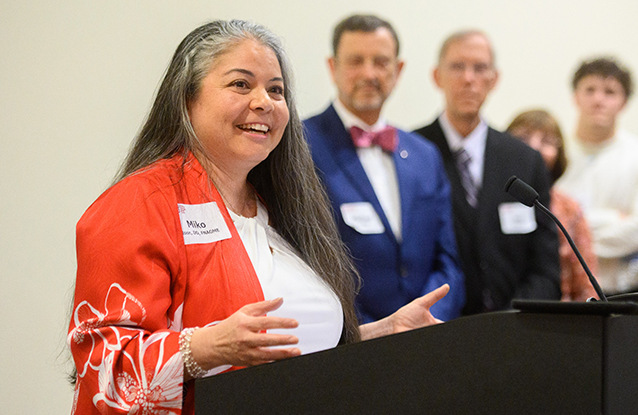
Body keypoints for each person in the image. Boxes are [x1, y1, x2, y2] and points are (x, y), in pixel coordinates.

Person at [67, 20, 450, 415]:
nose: (264, 102)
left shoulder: (285, 208)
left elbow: (290, 353)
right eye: (240, 84)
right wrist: (206, 348)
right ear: (187, 99)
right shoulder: (138, 203)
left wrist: (381, 333)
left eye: (276, 90)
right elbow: (102, 368)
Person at [304, 14, 464, 322]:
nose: (369, 73)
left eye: (380, 61)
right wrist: (374, 332)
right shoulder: (301, 146)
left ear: (398, 69)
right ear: (332, 67)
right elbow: (305, 261)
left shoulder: (425, 154)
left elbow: (448, 263)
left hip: (426, 339)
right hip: (349, 345)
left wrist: (424, 321)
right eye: (356, 61)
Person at [414, 30, 560, 314]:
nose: (469, 78)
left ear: (494, 79)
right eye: (457, 67)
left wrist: (508, 323)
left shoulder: (525, 160)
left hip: (513, 330)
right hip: (433, 330)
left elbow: (545, 269)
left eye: (480, 68)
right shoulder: (412, 154)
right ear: (436, 77)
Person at [556, 57, 638, 295]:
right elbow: (546, 229)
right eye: (590, 90)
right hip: (568, 295)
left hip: (630, 291)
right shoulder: (554, 155)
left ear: (624, 102)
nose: (599, 100)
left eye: (610, 92)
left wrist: (576, 235)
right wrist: (612, 219)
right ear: (575, 96)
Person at [507, 109, 599, 301]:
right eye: (524, 138)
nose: (534, 148)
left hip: (559, 319)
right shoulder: (486, 199)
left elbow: (586, 285)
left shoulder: (569, 208)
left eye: (547, 142)